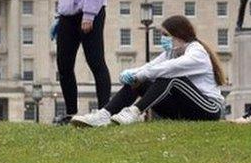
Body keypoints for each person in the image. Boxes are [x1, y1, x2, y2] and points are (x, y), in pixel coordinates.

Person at [72, 15, 227, 126]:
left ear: (179, 34)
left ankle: (134, 112)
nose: (162, 39)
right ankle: (104, 115)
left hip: (209, 109)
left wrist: (140, 75)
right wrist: (132, 74)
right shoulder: (172, 52)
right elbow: (150, 66)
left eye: (166, 35)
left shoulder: (197, 52)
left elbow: (170, 68)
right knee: (142, 81)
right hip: (183, 110)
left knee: (170, 77)